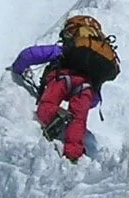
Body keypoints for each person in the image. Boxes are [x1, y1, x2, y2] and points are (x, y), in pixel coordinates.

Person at [10, 14, 119, 162]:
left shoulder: (64, 50)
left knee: (46, 106)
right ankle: (73, 155)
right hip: (85, 88)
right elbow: (94, 100)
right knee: (78, 121)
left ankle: (57, 119)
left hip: (62, 79)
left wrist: (16, 69)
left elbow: (30, 54)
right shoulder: (97, 59)